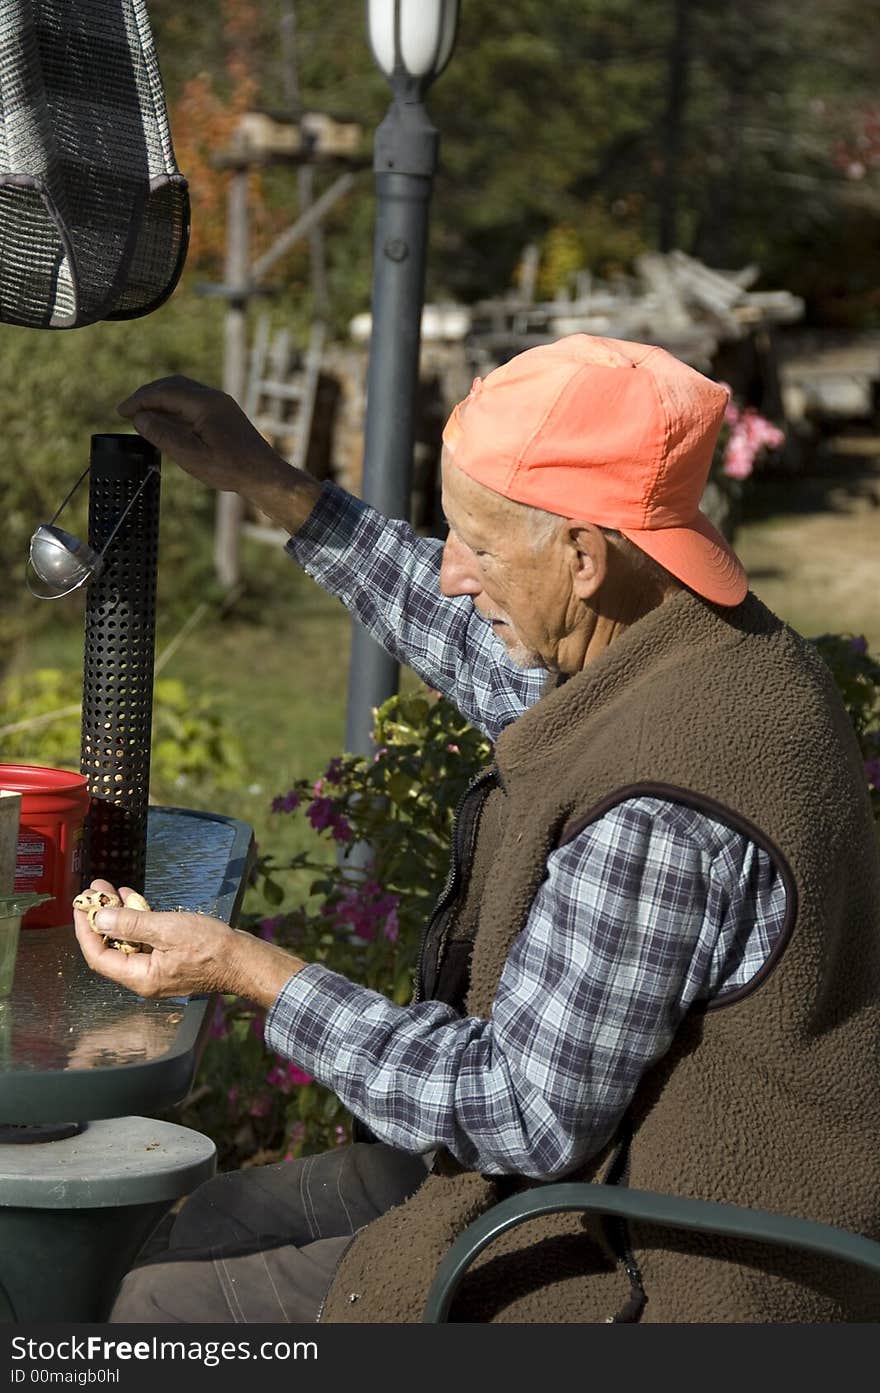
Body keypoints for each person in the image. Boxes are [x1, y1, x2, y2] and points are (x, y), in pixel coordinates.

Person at [74, 334, 880, 1324]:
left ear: (584, 555)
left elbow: (521, 1114)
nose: (455, 573)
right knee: (216, 1211)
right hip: (602, 1175)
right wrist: (274, 487)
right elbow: (482, 648)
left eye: (480, 546)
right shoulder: (691, 640)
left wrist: (246, 970)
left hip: (662, 1265)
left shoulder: (663, 807)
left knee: (159, 1310)